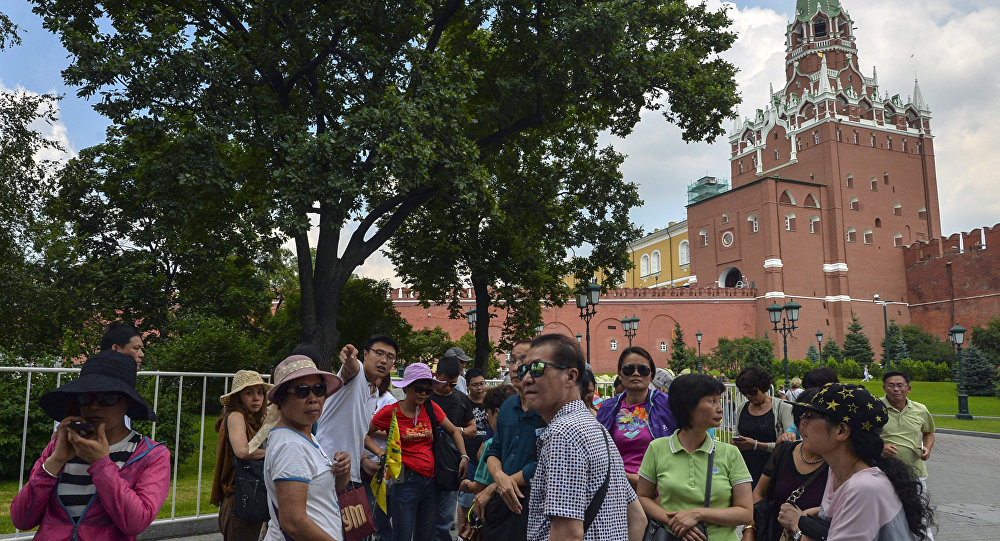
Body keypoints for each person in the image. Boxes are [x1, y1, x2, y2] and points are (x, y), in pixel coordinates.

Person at [12, 351, 170, 540]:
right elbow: (21, 519)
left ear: (127, 402)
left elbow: (134, 523)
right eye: (86, 397)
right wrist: (56, 461)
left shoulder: (150, 455)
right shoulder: (60, 447)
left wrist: (101, 464)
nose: (94, 406)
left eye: (108, 397)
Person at [522, 334, 645, 541]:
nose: (526, 378)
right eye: (522, 369)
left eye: (537, 368)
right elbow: (638, 518)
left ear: (570, 376)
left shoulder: (563, 433)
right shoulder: (597, 429)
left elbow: (567, 534)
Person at [777, 383, 934, 540]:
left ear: (841, 431)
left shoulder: (864, 487)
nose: (802, 423)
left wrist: (796, 525)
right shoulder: (837, 471)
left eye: (809, 416)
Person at [637, 373, 753, 540]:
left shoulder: (730, 453)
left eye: (719, 401)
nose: (720, 408)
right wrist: (674, 522)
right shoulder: (657, 448)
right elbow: (643, 497)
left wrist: (698, 514)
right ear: (688, 405)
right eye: (712, 401)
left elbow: (745, 512)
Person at [368, 362, 470, 541]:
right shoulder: (391, 411)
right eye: (419, 388)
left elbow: (454, 430)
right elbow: (363, 434)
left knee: (426, 535)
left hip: (431, 482)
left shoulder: (431, 408)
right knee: (403, 535)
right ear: (407, 388)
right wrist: (379, 453)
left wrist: (463, 456)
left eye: (428, 390)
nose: (424, 394)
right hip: (405, 481)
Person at [257, 355, 349, 541]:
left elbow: (325, 494)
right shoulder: (291, 446)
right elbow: (294, 523)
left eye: (318, 389)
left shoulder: (305, 436)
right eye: (302, 391)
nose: (313, 398)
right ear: (282, 399)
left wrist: (342, 471)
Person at [474, 340, 544, 541]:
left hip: (531, 500)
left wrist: (498, 485)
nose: (515, 367)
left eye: (523, 361)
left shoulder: (545, 409)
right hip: (501, 500)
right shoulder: (507, 407)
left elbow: (544, 463)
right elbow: (494, 450)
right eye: (512, 360)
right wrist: (499, 478)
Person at [742, 389, 828, 541]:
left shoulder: (838, 464)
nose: (807, 426)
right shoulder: (783, 450)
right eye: (804, 419)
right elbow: (759, 494)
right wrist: (749, 529)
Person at [315, 336, 396, 490]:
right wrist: (350, 357)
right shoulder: (356, 374)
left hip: (350, 475)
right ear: (365, 354)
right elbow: (351, 367)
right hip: (326, 467)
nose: (384, 360)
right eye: (379, 353)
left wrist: (364, 460)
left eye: (390, 357)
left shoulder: (374, 393)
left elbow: (357, 433)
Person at [596, 346, 678, 490]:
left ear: (651, 374)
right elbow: (597, 451)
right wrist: (624, 477)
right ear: (620, 374)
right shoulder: (609, 408)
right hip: (617, 488)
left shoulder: (667, 405)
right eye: (629, 369)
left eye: (643, 369)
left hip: (659, 488)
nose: (636, 373)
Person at [211, 370, 272, 540]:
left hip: (249, 494)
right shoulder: (236, 415)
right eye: (249, 392)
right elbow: (242, 451)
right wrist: (273, 454)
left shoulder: (252, 419)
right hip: (239, 496)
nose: (256, 397)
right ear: (238, 396)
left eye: (260, 392)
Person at [880, 370, 935, 537]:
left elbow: (929, 432)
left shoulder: (920, 409)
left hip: (915, 471)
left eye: (900, 385)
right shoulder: (876, 408)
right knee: (889, 515)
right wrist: (880, 446)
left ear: (908, 388)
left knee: (919, 514)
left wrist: (927, 448)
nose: (895, 389)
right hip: (884, 473)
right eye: (891, 385)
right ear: (884, 387)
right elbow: (863, 435)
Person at [428, 356, 477, 541]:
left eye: (453, 384)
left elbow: (473, 429)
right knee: (426, 517)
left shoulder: (461, 399)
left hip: (451, 464)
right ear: (436, 376)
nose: (448, 388)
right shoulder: (425, 396)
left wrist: (456, 431)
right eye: (444, 383)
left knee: (445, 519)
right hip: (427, 463)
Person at [733, 366, 796, 486]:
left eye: (752, 391)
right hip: (744, 470)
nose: (748, 396)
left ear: (763, 387)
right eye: (744, 392)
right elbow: (738, 435)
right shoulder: (742, 408)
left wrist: (756, 445)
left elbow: (789, 446)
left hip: (773, 470)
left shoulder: (783, 407)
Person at [458, 368, 492, 538]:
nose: (480, 388)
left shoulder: (490, 402)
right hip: (470, 456)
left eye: (482, 384)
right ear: (468, 386)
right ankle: (462, 533)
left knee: (484, 497)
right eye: (475, 385)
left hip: (488, 458)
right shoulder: (463, 402)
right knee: (464, 499)